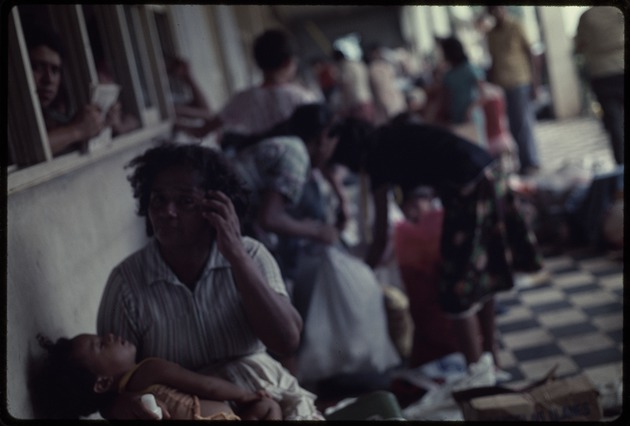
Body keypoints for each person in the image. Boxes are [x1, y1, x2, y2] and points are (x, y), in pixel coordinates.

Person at [96, 142, 324, 420]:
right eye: (158, 199)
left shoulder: (250, 254)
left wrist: (237, 257)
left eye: (185, 201)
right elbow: (105, 389)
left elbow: (286, 340)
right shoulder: (127, 283)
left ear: (217, 207)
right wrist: (126, 405)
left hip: (263, 398)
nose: (167, 211)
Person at [328, 113, 542, 370]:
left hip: (468, 185)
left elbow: (381, 233)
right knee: (484, 274)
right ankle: (490, 360)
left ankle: (477, 372)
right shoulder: (390, 135)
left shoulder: (376, 158)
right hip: (490, 172)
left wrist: (363, 274)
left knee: (455, 289)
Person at [230, 104, 401, 387]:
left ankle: (290, 391)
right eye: (333, 141)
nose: (333, 150)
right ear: (323, 137)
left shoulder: (290, 151)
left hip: (243, 241)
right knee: (283, 328)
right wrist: (318, 231)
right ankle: (292, 398)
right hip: (238, 244)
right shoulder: (295, 153)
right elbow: (270, 217)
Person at [35, 332, 281, 420]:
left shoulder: (114, 410)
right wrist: (247, 395)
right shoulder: (149, 369)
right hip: (225, 415)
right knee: (269, 406)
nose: (109, 336)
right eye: (100, 345)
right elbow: (208, 386)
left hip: (228, 417)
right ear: (102, 382)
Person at [173, 28, 320, 147]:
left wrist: (174, 121)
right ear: (288, 62)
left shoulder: (244, 98)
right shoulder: (304, 98)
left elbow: (203, 129)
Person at [24, 25, 107, 156]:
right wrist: (78, 130)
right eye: (37, 67)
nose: (49, 79)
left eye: (55, 70)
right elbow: (25, 150)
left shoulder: (51, 115)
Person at [485, 6, 541, 175]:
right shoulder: (491, 35)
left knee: (523, 123)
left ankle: (531, 161)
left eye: (498, 9)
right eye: (493, 10)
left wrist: (535, 83)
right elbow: (493, 62)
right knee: (512, 126)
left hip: (520, 81)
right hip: (502, 85)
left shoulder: (516, 26)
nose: (496, 13)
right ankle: (524, 162)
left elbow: (530, 53)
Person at [575, 6, 624, 165]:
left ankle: (621, 164)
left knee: (614, 121)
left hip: (601, 74)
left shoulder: (587, 17)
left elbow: (579, 45)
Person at [436, 36, 487, 147]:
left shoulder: (470, 69)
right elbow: (446, 99)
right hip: (456, 118)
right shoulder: (448, 76)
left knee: (477, 148)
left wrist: (470, 110)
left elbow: (484, 95)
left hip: (472, 118)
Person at [365, 44, 407, 126]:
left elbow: (393, 80)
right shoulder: (372, 69)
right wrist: (386, 106)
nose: (378, 54)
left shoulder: (385, 66)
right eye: (375, 52)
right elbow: (379, 90)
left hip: (395, 101)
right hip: (386, 105)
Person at [332, 48, 375, 123]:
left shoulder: (344, 67)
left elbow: (345, 85)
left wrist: (344, 106)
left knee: (362, 125)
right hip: (367, 98)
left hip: (356, 102)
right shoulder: (358, 64)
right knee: (370, 123)